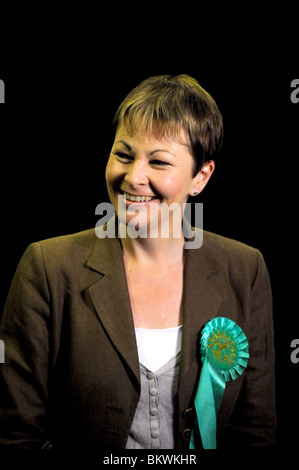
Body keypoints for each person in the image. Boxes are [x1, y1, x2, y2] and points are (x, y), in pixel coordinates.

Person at [0, 75, 276, 449]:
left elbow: (253, 432)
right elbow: (20, 436)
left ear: (201, 176)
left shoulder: (246, 269)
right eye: (123, 155)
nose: (133, 177)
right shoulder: (47, 268)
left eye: (159, 162)